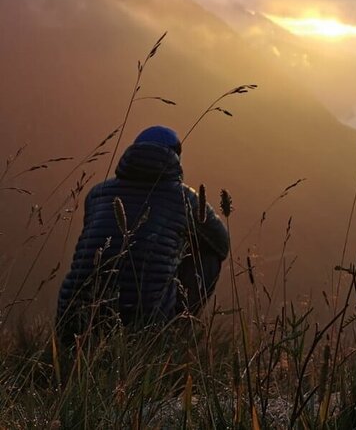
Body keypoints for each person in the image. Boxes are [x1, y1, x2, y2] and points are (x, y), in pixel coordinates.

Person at [56, 125, 230, 339]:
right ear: (175, 156)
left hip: (74, 326)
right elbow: (221, 243)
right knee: (208, 251)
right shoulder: (185, 198)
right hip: (145, 327)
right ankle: (177, 328)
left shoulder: (97, 194)